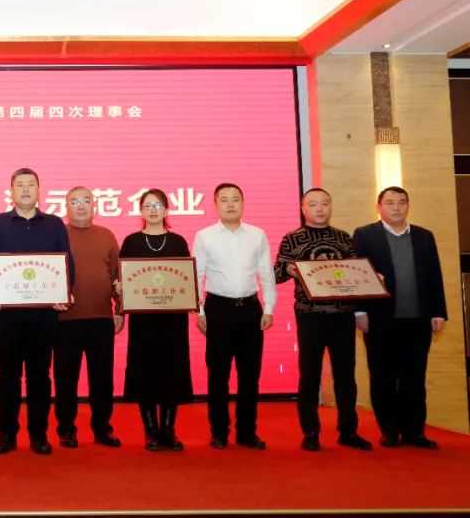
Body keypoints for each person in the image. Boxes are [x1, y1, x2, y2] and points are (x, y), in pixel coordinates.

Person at [0, 168, 73, 455]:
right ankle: (6, 434)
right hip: (6, 313)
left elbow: (67, 263)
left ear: (38, 190)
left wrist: (64, 292)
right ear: (11, 191)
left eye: (31, 184)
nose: (25, 189)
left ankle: (39, 435)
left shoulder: (54, 224)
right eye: (19, 184)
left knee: (39, 375)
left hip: (44, 314)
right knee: (7, 374)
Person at [274, 188, 372, 451]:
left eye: (325, 203)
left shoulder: (344, 237)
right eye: (313, 204)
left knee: (346, 376)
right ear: (303, 209)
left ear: (331, 206)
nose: (320, 208)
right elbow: (276, 274)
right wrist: (289, 269)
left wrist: (372, 278)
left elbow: (357, 273)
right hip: (310, 315)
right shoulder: (292, 239)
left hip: (342, 315)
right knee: (309, 375)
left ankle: (348, 431)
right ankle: (310, 432)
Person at [352, 186, 446, 449]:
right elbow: (357, 274)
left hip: (418, 319)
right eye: (390, 202)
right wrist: (359, 311)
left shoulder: (424, 236)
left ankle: (415, 432)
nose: (396, 207)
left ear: (408, 206)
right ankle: (390, 430)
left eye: (402, 202)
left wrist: (438, 311)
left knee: (414, 377)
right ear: (379, 206)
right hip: (380, 318)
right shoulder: (364, 235)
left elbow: (434, 275)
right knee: (382, 376)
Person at [193, 183, 276, 450]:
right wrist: (199, 311)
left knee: (250, 376)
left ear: (243, 203)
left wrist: (269, 308)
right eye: (224, 199)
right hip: (218, 309)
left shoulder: (257, 235)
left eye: (236, 199)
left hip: (250, 309)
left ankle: (247, 432)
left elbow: (266, 273)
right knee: (218, 375)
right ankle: (219, 432)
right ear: (215, 204)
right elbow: (197, 275)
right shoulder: (204, 236)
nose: (230, 204)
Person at [120, 188, 193, 451]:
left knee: (172, 371)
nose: (153, 210)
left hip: (173, 320)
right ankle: (151, 431)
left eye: (158, 205)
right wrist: (120, 289)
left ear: (167, 210)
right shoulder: (131, 242)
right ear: (140, 211)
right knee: (146, 372)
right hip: (144, 321)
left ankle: (169, 431)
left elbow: (187, 278)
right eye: (148, 206)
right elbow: (123, 278)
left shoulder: (178, 242)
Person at [54, 186, 123, 449]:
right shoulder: (58, 235)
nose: (81, 206)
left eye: (86, 201)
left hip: (101, 319)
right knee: (65, 378)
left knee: (102, 378)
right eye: (75, 201)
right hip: (65, 320)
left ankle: (103, 428)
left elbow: (118, 276)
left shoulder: (106, 235)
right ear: (66, 207)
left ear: (94, 206)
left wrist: (119, 309)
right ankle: (66, 429)